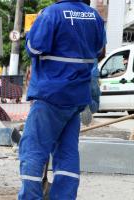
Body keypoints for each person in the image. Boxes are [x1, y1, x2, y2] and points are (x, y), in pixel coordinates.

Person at [19, 0, 106, 199]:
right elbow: (100, 52)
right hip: (76, 99)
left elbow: (33, 48)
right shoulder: (94, 17)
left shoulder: (50, 14)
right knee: (67, 154)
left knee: (33, 151)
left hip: (50, 95)